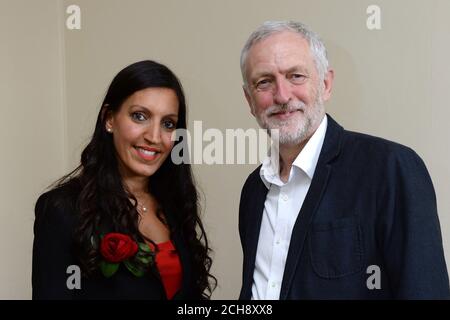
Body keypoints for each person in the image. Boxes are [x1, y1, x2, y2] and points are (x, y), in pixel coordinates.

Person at [238, 20, 449, 299]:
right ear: (249, 100)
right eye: (264, 82)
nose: (282, 95)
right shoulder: (254, 190)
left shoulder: (390, 169)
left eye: (296, 76)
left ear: (325, 84)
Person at [32, 60, 216, 299]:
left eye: (168, 123)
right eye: (140, 116)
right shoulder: (62, 209)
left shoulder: (175, 204)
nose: (154, 136)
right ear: (109, 119)